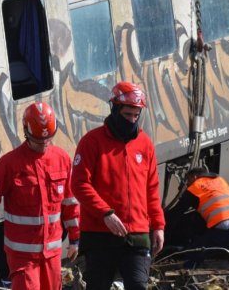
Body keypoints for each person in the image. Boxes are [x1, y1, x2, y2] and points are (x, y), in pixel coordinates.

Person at [0, 102, 79, 290]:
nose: (43, 145)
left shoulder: (61, 159)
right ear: (26, 132)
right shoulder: (10, 164)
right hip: (22, 257)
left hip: (52, 254)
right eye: (38, 141)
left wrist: (75, 238)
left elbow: (70, 202)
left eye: (47, 140)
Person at [71, 81, 165, 290]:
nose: (132, 120)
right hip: (99, 236)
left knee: (138, 285)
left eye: (136, 115)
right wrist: (105, 213)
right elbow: (79, 184)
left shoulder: (145, 144)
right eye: (127, 114)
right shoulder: (91, 142)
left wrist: (158, 225)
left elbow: (151, 188)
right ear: (115, 110)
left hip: (137, 235)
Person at [176, 169, 229, 267]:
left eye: (188, 180)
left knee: (195, 251)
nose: (187, 184)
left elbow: (178, 211)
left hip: (223, 229)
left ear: (195, 177)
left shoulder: (195, 187)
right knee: (226, 246)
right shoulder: (219, 180)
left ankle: (187, 272)